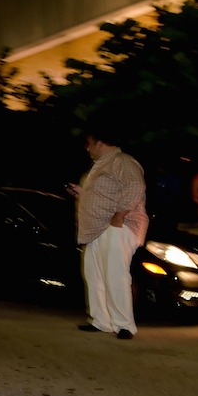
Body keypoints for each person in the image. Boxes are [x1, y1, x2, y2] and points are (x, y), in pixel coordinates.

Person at [65, 123, 149, 340]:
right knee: (94, 276)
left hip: (116, 227)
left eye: (89, 144)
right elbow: (105, 194)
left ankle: (124, 325)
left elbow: (135, 187)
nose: (87, 148)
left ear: (99, 142)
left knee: (115, 276)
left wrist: (119, 216)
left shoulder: (122, 160)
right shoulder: (103, 164)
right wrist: (82, 193)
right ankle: (101, 321)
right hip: (96, 229)